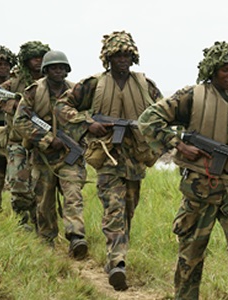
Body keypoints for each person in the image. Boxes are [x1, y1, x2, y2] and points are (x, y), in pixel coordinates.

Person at [138, 41, 228, 300]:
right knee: (190, 256)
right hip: (201, 191)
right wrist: (178, 145)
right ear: (212, 69)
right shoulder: (192, 96)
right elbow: (148, 119)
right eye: (226, 69)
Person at [54, 31, 162, 291]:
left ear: (133, 57)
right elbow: (61, 106)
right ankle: (117, 262)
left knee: (128, 210)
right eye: (117, 56)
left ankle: (117, 255)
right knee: (113, 208)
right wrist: (87, 123)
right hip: (107, 157)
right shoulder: (93, 84)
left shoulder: (145, 85)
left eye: (126, 55)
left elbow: (163, 112)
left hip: (136, 158)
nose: (122, 60)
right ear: (108, 58)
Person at [13, 50, 88, 259]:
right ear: (46, 70)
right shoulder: (34, 92)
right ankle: (47, 243)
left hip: (70, 156)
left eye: (62, 67)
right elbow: (20, 121)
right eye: (54, 67)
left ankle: (76, 237)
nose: (59, 71)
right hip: (43, 157)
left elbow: (89, 118)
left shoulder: (76, 92)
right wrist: (47, 140)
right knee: (44, 202)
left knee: (73, 194)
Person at [0, 41, 50, 227]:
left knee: (41, 187)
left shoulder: (51, 80)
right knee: (19, 183)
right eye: (34, 58)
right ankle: (22, 221)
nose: (38, 61)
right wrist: (11, 104)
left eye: (41, 58)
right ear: (26, 60)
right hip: (18, 141)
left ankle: (41, 223)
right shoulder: (14, 81)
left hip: (43, 141)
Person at [0, 46, 17, 210]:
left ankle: (21, 215)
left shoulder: (17, 86)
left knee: (19, 180)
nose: (3, 68)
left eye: (6, 64)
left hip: (15, 139)